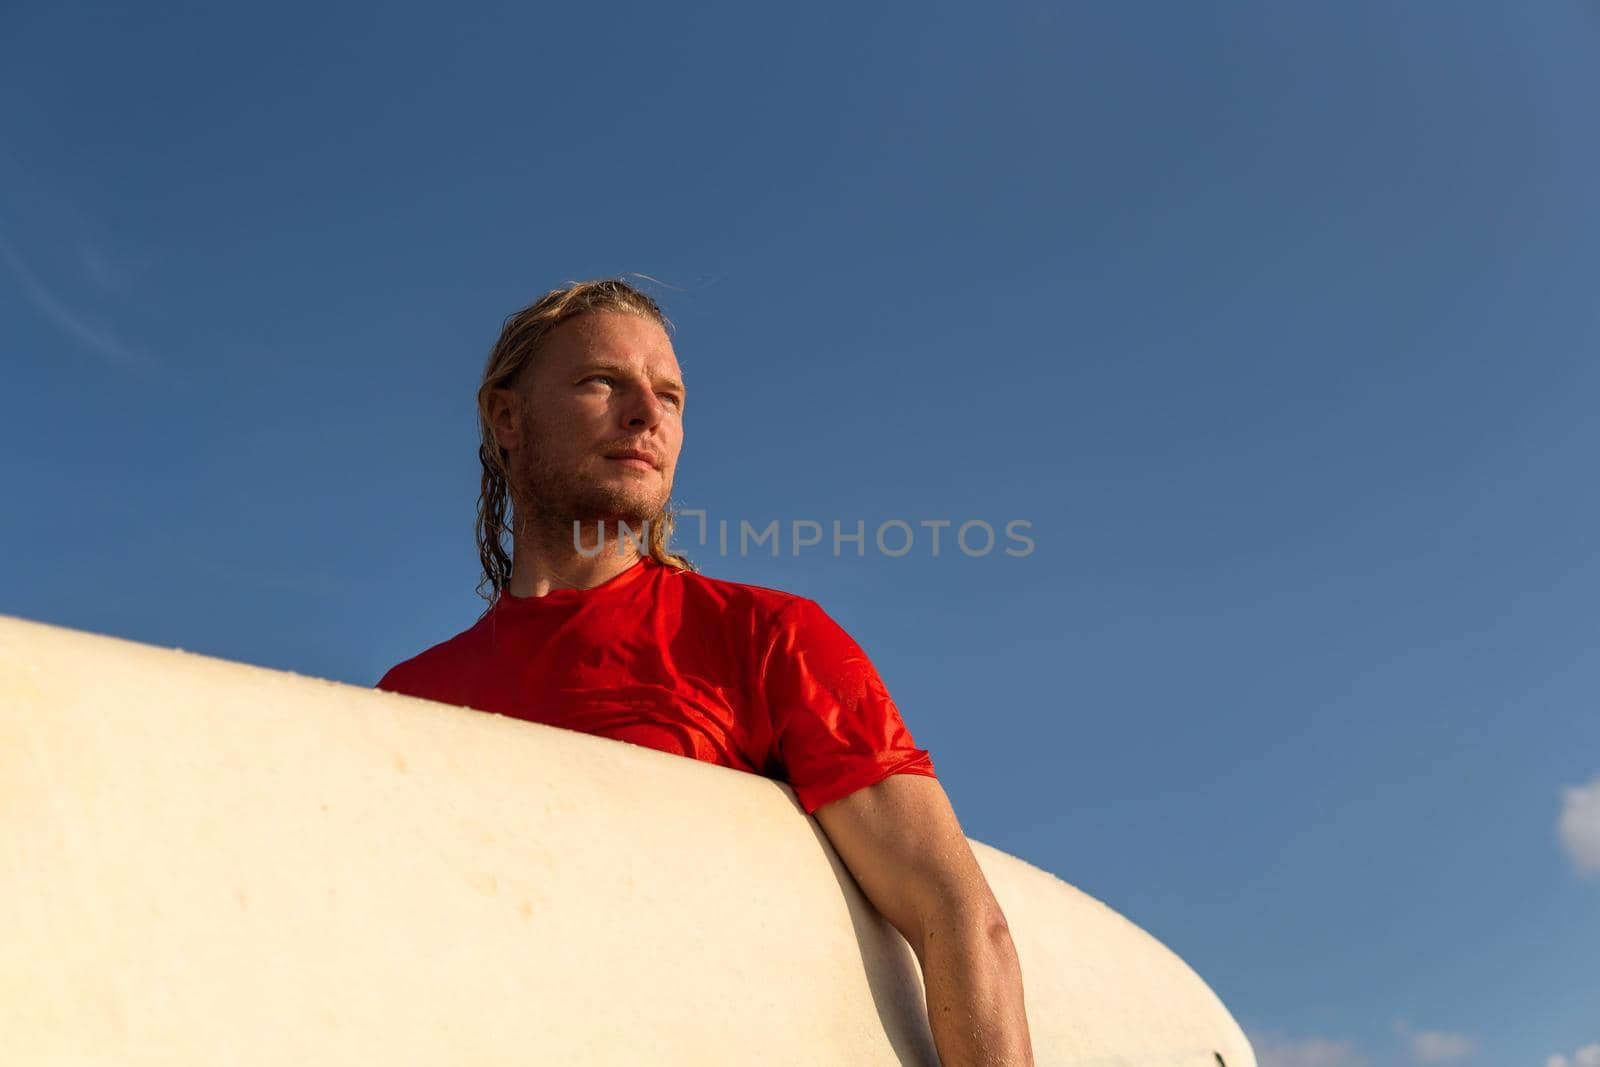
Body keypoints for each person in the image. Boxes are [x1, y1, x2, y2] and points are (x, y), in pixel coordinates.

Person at [376, 278, 1033, 1065]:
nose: (646, 415)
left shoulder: (766, 640)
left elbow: (955, 913)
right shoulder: (408, 703)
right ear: (507, 416)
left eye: (670, 396)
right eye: (602, 383)